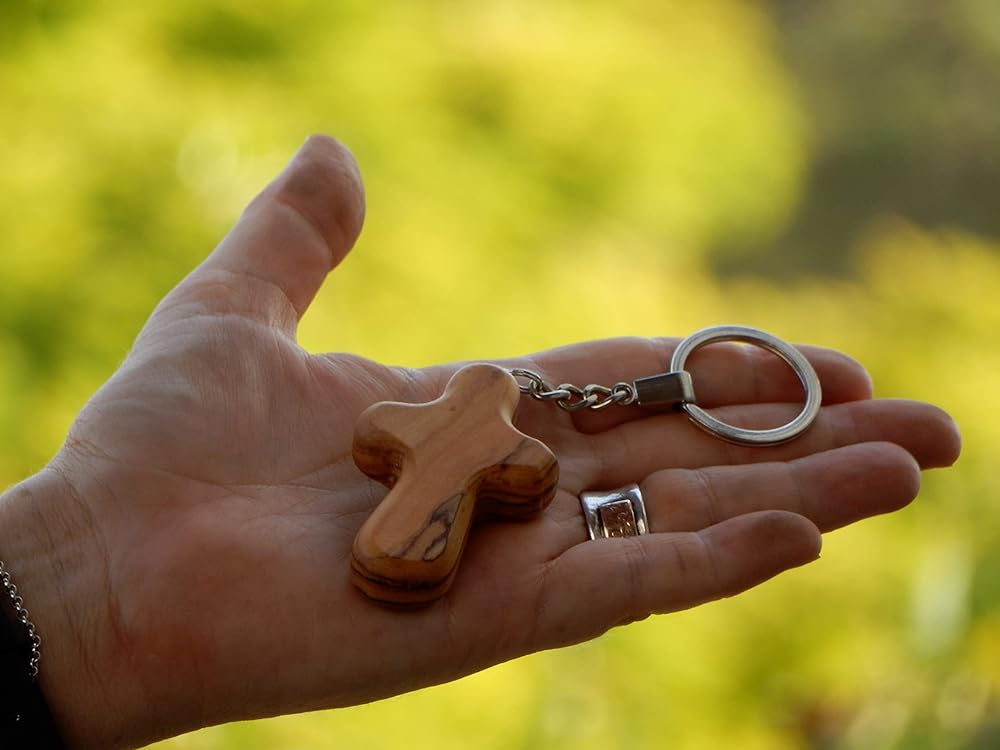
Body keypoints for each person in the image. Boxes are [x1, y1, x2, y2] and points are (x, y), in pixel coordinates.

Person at [0, 135, 961, 749]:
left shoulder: (481, 449)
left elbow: (469, 451)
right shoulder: (481, 449)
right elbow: (453, 447)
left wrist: (74, 598)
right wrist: (71, 591)